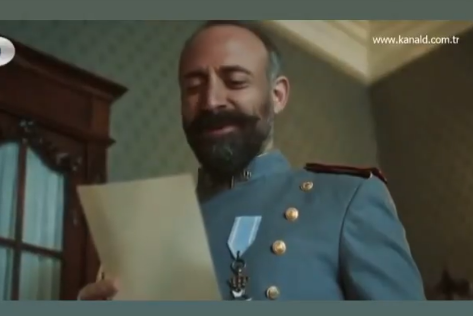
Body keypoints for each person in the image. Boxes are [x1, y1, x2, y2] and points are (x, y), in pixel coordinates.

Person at [79, 21, 425, 301]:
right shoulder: (144, 233)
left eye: (235, 81)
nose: (211, 101)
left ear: (277, 95)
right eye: (193, 87)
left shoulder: (348, 199)